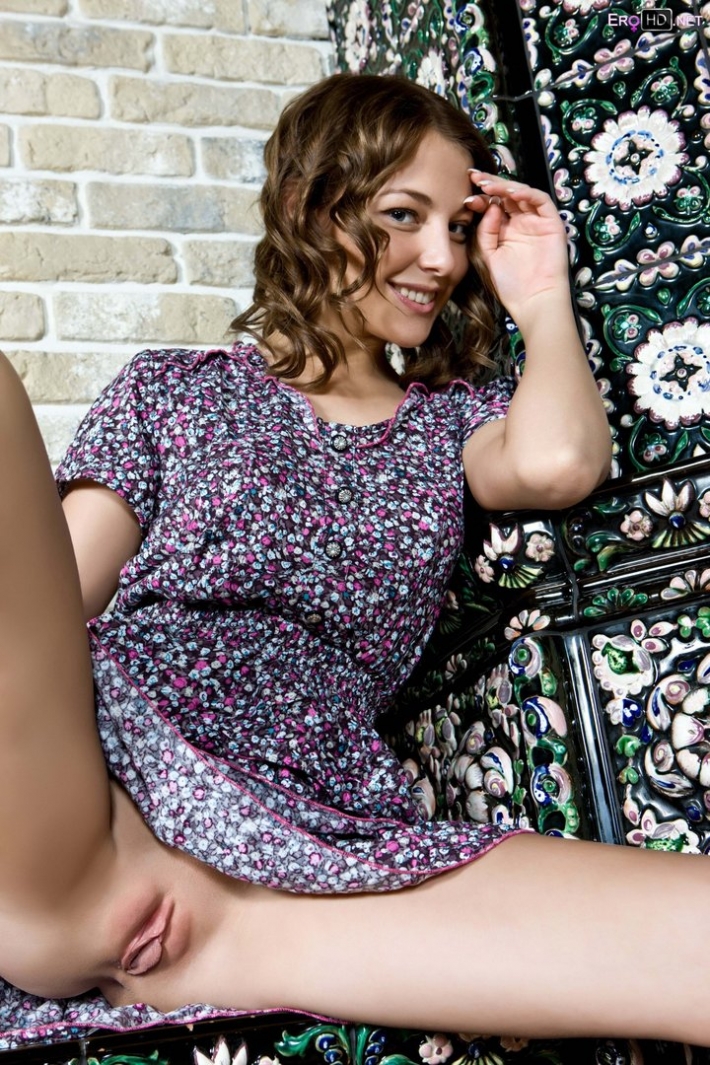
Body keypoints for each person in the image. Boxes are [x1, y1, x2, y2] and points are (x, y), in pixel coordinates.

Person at [0, 71, 707, 1048]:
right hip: (99, 791)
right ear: (312, 207)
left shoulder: (449, 422)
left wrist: (542, 298)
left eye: (457, 227)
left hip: (315, 835)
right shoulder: (172, 392)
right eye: (403, 215)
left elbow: (556, 462)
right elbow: (53, 601)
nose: (439, 257)